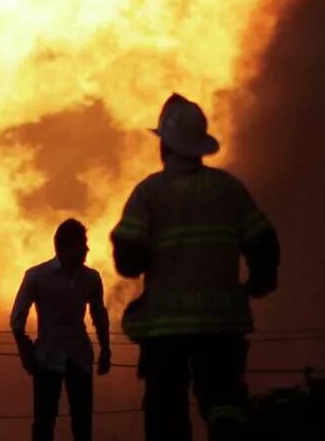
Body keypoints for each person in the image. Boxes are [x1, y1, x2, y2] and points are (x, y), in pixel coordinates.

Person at [109, 94, 279, 441]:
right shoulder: (228, 189)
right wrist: (260, 281)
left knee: (166, 410)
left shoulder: (149, 193)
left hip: (166, 326)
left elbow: (128, 260)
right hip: (221, 321)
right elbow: (263, 242)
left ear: (165, 147)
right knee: (224, 400)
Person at [10, 219, 111, 441]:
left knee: (82, 422)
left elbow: (99, 314)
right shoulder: (37, 276)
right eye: (81, 244)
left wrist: (106, 349)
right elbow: (17, 318)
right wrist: (26, 351)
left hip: (79, 355)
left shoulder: (91, 278)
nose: (86, 249)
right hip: (47, 356)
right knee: (44, 422)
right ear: (64, 247)